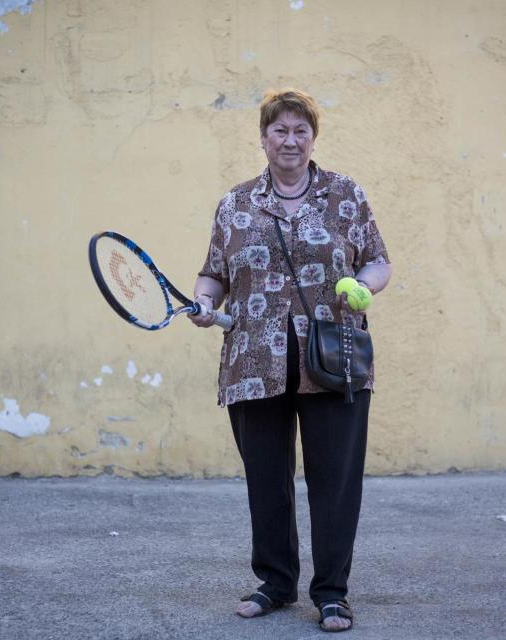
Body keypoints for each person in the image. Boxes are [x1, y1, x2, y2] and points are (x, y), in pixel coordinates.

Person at [189, 88, 392, 633]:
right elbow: (214, 273)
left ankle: (331, 593)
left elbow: (378, 261)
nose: (290, 140)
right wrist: (204, 302)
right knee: (267, 480)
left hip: (333, 358)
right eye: (280, 130)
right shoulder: (235, 204)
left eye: (301, 130)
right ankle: (275, 584)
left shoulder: (346, 196)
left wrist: (363, 289)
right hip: (254, 360)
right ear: (263, 138)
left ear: (313, 138)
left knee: (335, 481)